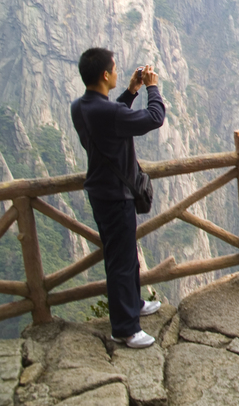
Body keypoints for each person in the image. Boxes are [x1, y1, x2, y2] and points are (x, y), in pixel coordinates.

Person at [70, 48, 165, 348]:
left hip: (101, 192)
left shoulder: (80, 107)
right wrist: (152, 87)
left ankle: (133, 305)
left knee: (123, 255)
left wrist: (129, 91)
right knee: (122, 261)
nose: (116, 71)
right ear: (104, 75)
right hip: (116, 195)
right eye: (113, 68)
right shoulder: (107, 113)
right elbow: (155, 118)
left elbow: (111, 119)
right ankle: (125, 328)